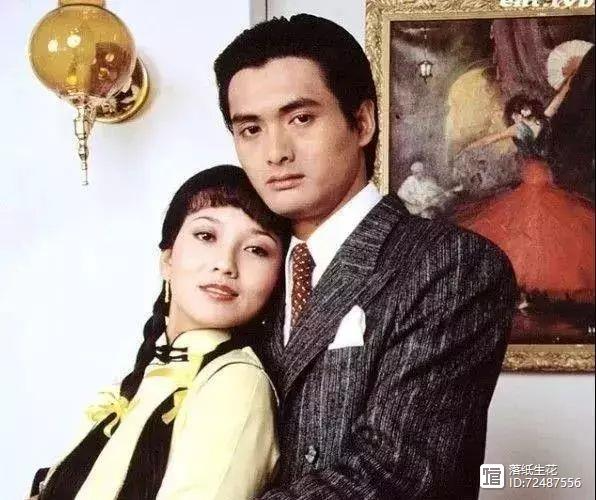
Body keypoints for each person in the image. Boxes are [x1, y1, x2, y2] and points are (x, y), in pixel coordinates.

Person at [214, 14, 518, 499]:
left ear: (362, 122)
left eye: (300, 118)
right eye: (250, 128)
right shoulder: (246, 268)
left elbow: (395, 475)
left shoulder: (453, 264)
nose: (275, 152)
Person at [30, 165, 290, 500]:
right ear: (167, 259)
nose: (226, 264)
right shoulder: (136, 381)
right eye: (206, 236)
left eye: (256, 249)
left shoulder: (236, 381)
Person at [457, 88, 595, 305]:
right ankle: (526, 291)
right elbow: (490, 139)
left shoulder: (542, 119)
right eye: (517, 111)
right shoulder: (520, 127)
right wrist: (468, 147)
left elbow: (558, 100)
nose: (521, 113)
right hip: (534, 176)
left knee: (546, 228)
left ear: (528, 108)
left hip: (544, 177)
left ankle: (534, 292)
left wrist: (570, 81)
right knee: (534, 227)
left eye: (523, 108)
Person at [397, 161, 463, 219]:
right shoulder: (409, 180)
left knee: (430, 213)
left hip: (426, 208)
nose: (420, 174)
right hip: (414, 209)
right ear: (413, 172)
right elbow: (400, 194)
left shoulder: (427, 181)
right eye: (416, 172)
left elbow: (437, 190)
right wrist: (414, 201)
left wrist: (445, 193)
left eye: (421, 172)